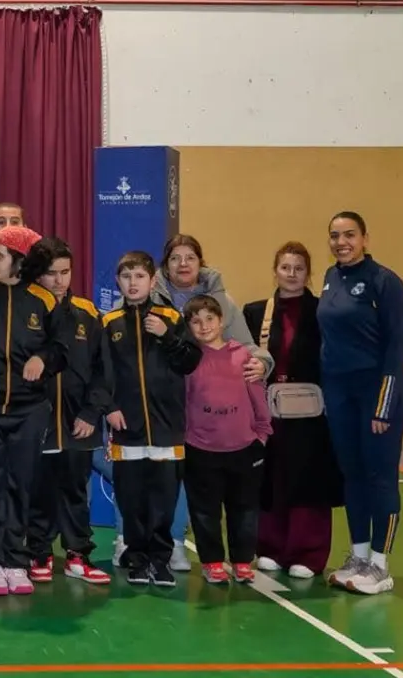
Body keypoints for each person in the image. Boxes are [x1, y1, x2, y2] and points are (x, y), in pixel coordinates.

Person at [152, 233, 272, 571]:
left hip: (235, 438)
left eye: (190, 257)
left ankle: (240, 557)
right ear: (165, 264)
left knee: (239, 504)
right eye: (175, 258)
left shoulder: (225, 302)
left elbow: (251, 351)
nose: (183, 264)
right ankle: (175, 545)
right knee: (187, 493)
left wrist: (263, 364)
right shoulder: (151, 297)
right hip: (182, 422)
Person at [0, 225, 72, 596]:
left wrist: (43, 359)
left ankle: (15, 561)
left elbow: (61, 349)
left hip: (29, 409)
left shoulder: (45, 300)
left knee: (20, 484)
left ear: (20, 261)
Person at [317, 211, 403, 596]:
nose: (341, 242)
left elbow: (397, 349)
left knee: (380, 477)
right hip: (340, 395)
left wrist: (382, 406)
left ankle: (380, 565)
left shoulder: (385, 282)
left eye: (349, 235)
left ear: (365, 238)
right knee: (352, 475)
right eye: (335, 236)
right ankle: (357, 557)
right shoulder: (330, 277)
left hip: (377, 394)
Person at [242, 242, 343, 580]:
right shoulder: (255, 312)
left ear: (308, 273)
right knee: (270, 477)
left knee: (308, 479)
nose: (291, 274)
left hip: (312, 414)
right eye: (285, 267)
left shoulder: (323, 312)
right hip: (268, 410)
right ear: (275, 271)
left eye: (299, 268)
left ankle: (307, 552)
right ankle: (269, 547)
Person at [102, 250, 202, 587]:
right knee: (131, 499)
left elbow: (190, 361)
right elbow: (101, 372)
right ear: (118, 281)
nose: (133, 283)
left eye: (139, 276)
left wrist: (167, 335)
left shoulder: (171, 317)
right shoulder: (109, 323)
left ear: (152, 280)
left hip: (166, 426)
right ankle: (137, 559)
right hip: (126, 427)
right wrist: (109, 407)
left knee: (164, 498)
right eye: (126, 277)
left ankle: (160, 561)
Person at [25, 237, 112, 586]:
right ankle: (39, 552)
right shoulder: (27, 311)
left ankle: (78, 554)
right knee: (39, 492)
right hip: (38, 423)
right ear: (38, 275)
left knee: (76, 492)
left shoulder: (88, 314)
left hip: (78, 423)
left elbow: (103, 370)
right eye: (51, 273)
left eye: (65, 272)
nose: (59, 280)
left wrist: (91, 412)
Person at [182, 294, 273, 584]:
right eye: (196, 321)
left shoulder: (243, 355)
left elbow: (257, 396)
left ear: (222, 321)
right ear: (188, 327)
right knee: (205, 511)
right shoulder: (190, 360)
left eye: (210, 319)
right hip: (200, 450)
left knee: (244, 510)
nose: (204, 326)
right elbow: (183, 402)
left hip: (244, 450)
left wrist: (261, 434)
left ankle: (242, 560)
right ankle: (211, 562)